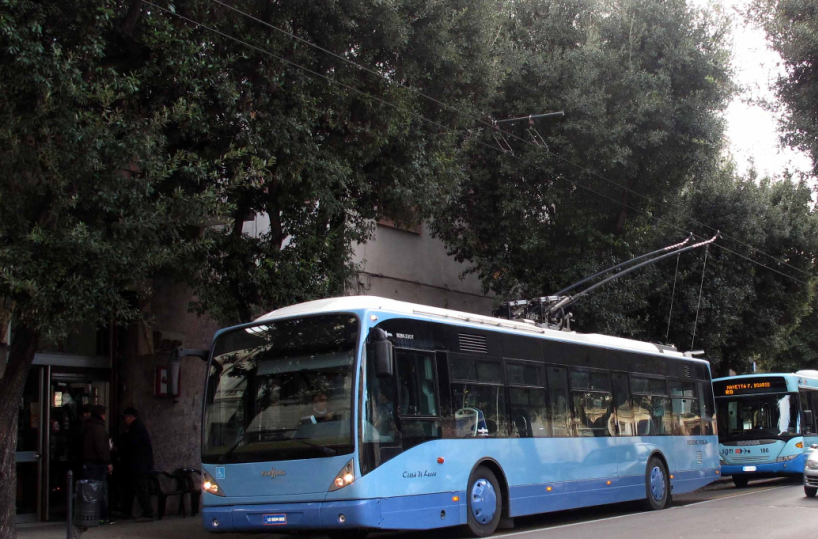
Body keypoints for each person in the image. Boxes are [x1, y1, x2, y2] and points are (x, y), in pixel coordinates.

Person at [119, 407, 155, 522]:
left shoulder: (136, 428)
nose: (125, 420)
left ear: (131, 417)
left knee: (141, 489)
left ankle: (148, 513)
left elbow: (133, 445)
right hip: (137, 464)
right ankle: (126, 510)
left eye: (126, 417)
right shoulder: (136, 428)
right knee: (130, 488)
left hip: (139, 465)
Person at [81, 405, 112, 524]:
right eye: (104, 414)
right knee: (100, 490)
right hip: (97, 463)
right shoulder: (98, 428)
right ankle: (102, 516)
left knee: (90, 491)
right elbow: (101, 448)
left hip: (88, 462)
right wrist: (107, 461)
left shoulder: (86, 426)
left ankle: (91, 514)